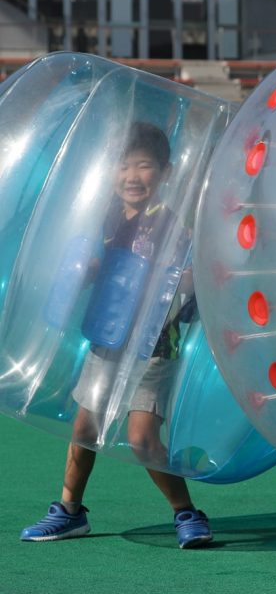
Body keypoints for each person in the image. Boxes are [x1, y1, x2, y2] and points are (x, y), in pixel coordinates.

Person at [21, 122, 212, 549]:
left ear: (164, 172)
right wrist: (86, 271)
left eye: (143, 165)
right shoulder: (107, 215)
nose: (131, 176)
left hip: (154, 343)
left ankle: (185, 511)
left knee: (143, 439)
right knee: (84, 428)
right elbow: (102, 265)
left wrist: (180, 281)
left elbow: (189, 277)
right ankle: (69, 510)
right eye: (123, 166)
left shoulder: (170, 222)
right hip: (108, 338)